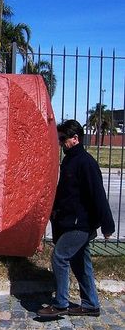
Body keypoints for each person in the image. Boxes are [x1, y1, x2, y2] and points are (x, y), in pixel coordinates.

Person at [37, 119, 115, 318]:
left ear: (75, 139)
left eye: (63, 139)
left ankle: (61, 303)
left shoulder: (85, 162)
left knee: (59, 257)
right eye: (59, 139)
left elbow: (97, 194)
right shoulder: (70, 160)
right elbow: (66, 193)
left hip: (80, 224)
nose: (60, 143)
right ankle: (90, 305)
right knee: (80, 263)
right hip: (71, 222)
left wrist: (107, 226)